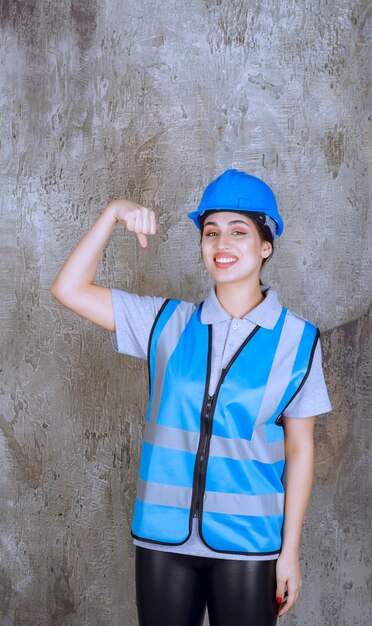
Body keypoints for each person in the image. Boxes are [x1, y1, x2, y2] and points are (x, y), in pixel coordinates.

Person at [51, 168, 332, 626]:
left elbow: (301, 450)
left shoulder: (299, 342)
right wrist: (113, 213)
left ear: (266, 245)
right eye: (211, 232)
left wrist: (290, 551)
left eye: (238, 232)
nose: (222, 244)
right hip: (162, 541)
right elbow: (69, 288)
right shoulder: (165, 322)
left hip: (249, 543)